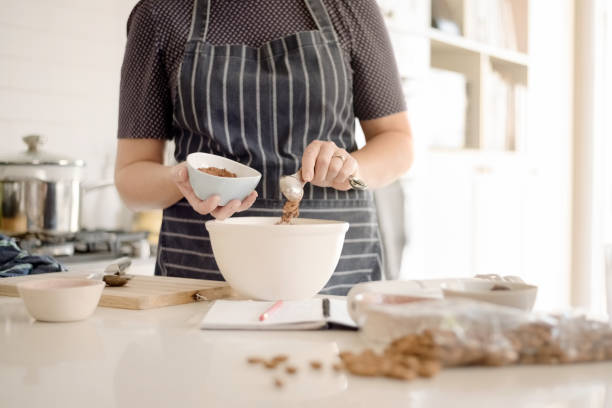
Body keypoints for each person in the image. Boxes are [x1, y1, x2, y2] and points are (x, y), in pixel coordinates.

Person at [115, 0, 414, 295]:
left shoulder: (349, 7)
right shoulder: (161, 13)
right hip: (204, 275)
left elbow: (397, 142)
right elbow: (131, 177)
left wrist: (351, 168)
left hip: (334, 276)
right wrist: (185, 178)